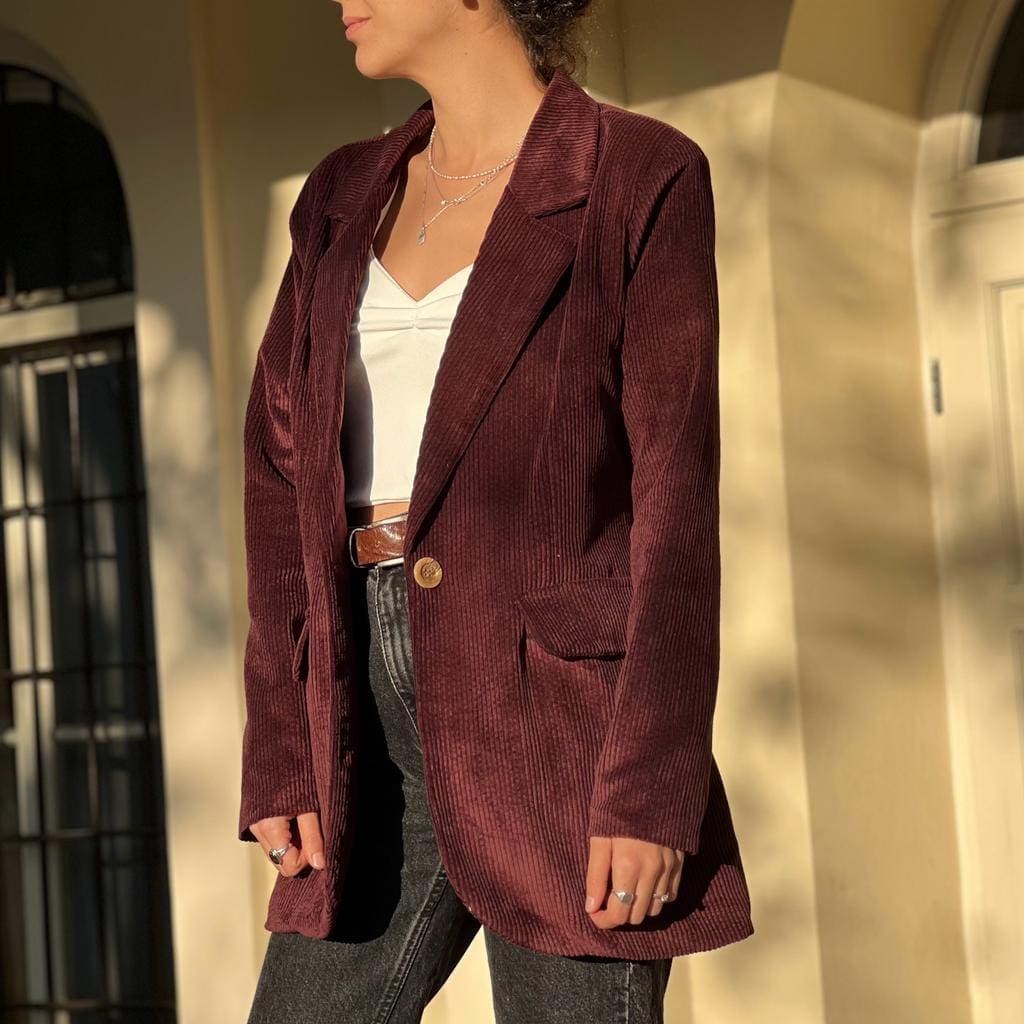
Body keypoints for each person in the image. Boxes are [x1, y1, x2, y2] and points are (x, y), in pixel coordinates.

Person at [240, 1, 754, 1021]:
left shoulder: (637, 174)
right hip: (358, 718)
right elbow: (278, 474)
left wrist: (652, 785)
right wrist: (282, 747)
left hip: (555, 720)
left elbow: (674, 504)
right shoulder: (340, 194)